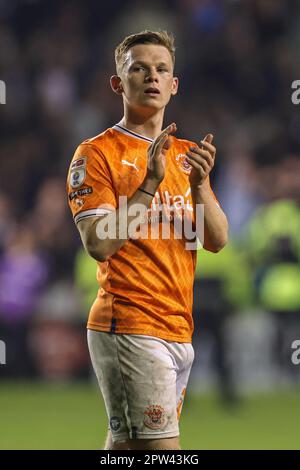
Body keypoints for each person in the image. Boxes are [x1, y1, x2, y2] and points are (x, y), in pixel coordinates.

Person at [66, 30, 228, 450]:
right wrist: (149, 184)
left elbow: (217, 240)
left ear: (174, 85)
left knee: (129, 448)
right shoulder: (95, 154)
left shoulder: (186, 155)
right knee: (162, 453)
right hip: (130, 324)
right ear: (118, 83)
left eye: (161, 69)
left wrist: (201, 187)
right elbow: (99, 243)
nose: (151, 77)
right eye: (139, 68)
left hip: (177, 326)